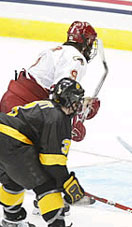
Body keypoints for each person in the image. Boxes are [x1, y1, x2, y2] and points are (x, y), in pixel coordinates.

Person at [0, 77, 87, 227]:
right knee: (46, 185)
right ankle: (57, 225)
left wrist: (65, 181)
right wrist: (67, 183)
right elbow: (52, 163)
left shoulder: (46, 105)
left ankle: (11, 220)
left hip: (5, 138)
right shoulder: (58, 117)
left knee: (14, 179)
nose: (78, 104)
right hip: (13, 144)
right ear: (68, 99)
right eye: (76, 99)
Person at [0, 20, 100, 142]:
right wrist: (74, 121)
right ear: (87, 42)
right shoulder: (76, 58)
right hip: (25, 109)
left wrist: (81, 105)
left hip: (11, 100)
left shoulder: (55, 50)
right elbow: (62, 93)